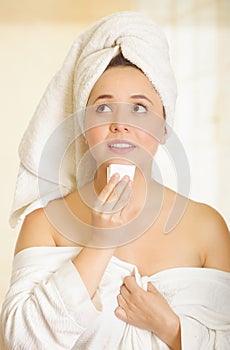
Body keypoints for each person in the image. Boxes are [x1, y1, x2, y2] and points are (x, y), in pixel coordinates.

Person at [0, 11, 230, 350]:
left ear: (164, 128)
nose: (120, 123)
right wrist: (100, 243)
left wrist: (172, 330)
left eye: (139, 108)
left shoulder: (207, 228)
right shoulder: (45, 224)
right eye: (103, 108)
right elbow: (17, 341)